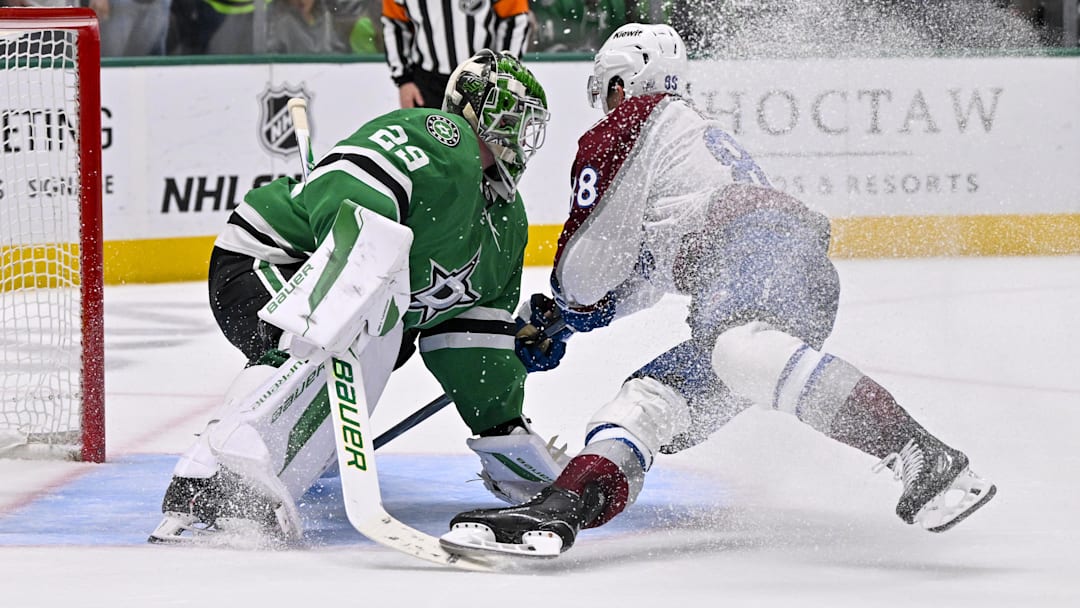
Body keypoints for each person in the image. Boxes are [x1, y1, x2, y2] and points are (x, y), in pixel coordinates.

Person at [440, 23, 998, 557]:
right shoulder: (683, 142)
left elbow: (586, 269)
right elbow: (647, 274)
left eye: (608, 89)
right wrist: (571, 316)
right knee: (645, 404)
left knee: (739, 351)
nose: (606, 104)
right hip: (773, 270)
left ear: (622, 81)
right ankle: (559, 510)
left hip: (757, 258)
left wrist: (563, 309)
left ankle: (926, 455)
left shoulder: (632, 121)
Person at [148, 50, 566, 543]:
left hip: (364, 316)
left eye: (529, 124)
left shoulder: (507, 222)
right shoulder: (441, 137)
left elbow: (465, 339)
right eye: (511, 116)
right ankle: (215, 469)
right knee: (357, 324)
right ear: (474, 108)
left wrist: (503, 425)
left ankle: (255, 470)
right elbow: (348, 180)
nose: (521, 134)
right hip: (268, 261)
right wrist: (360, 270)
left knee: (375, 333)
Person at [382, 0, 531, 109]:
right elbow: (394, 24)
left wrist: (502, 74)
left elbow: (515, 18)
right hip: (427, 83)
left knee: (479, 149)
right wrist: (404, 81)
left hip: (483, 81)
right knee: (427, 147)